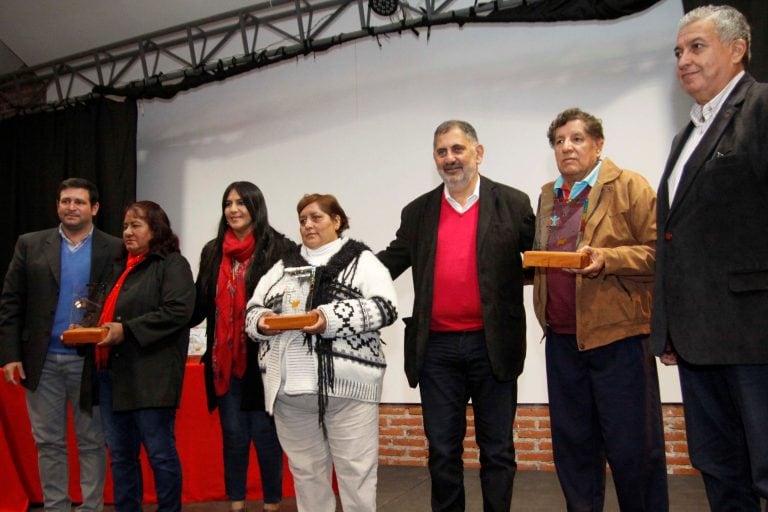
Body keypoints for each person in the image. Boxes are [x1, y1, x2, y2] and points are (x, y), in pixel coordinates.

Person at [377, 120, 535, 512]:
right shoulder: (418, 212)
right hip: (437, 350)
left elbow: (539, 259)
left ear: (478, 153)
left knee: (497, 450)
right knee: (443, 452)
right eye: (441, 152)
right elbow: (388, 263)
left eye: (457, 149)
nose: (450, 158)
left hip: (492, 345)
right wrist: (339, 266)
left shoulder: (513, 203)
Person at [650, 5, 768, 511]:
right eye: (678, 51)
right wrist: (668, 326)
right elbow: (675, 238)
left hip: (754, 334)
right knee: (721, 469)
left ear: (737, 49)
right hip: (699, 340)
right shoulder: (685, 136)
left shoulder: (762, 109)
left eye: (696, 47)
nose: (684, 60)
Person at [532, 108, 668, 511]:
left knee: (633, 451)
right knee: (573, 451)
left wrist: (608, 259)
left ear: (598, 144)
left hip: (619, 339)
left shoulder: (629, 186)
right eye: (559, 141)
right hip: (561, 341)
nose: (566, 148)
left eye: (576, 139)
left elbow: (661, 253)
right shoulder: (547, 195)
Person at [244, 193, 398, 512]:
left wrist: (329, 318)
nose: (308, 225)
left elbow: (386, 307)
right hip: (290, 393)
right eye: (302, 220)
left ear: (337, 221)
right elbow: (252, 312)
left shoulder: (363, 261)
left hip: (349, 392)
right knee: (306, 475)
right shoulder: (282, 267)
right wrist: (263, 322)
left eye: (317, 217)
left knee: (356, 475)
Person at [0, 178, 122, 512]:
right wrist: (10, 355)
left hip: (92, 362)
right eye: (65, 201)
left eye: (79, 202)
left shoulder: (114, 248)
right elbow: (11, 302)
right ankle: (56, 507)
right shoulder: (30, 244)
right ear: (57, 206)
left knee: (92, 442)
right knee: (48, 443)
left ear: (94, 208)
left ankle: (92, 507)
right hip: (42, 361)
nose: (72, 207)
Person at [192, 182, 294, 512]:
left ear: (255, 207)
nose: (233, 209)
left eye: (241, 203)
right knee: (233, 436)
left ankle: (271, 504)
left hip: (263, 361)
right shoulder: (212, 251)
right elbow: (198, 303)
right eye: (228, 203)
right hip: (222, 361)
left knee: (265, 437)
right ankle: (236, 503)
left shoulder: (279, 247)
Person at [93, 200, 195, 512]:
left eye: (136, 225)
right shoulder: (119, 267)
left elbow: (179, 311)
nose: (127, 232)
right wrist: (87, 326)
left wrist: (127, 330)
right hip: (112, 375)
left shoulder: (172, 264)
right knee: (121, 455)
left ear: (156, 229)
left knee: (159, 453)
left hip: (152, 376)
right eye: (125, 226)